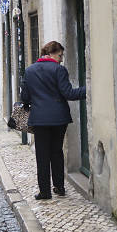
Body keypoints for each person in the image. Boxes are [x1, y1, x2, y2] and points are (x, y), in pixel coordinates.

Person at [20, 41, 86, 200]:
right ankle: (60, 187)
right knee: (56, 152)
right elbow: (69, 93)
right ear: (50, 54)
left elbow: (25, 97)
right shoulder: (59, 70)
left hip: (39, 120)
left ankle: (45, 192)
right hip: (58, 119)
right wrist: (89, 88)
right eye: (60, 55)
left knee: (42, 155)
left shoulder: (29, 71)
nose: (61, 59)